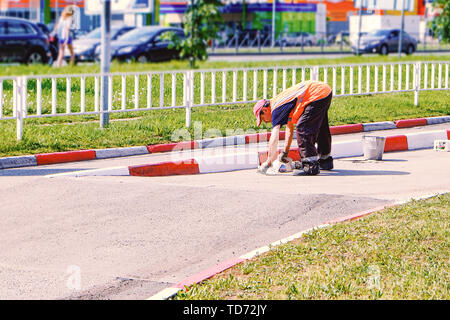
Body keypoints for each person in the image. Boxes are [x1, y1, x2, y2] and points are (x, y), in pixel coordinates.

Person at [253, 80, 334, 176]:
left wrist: (268, 162)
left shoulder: (275, 108)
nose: (265, 122)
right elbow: (289, 129)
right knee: (321, 127)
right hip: (324, 91)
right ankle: (325, 161)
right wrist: (285, 152)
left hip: (316, 94)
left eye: (262, 118)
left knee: (302, 128)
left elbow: (274, 136)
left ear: (265, 110)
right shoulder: (281, 104)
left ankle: (310, 166)